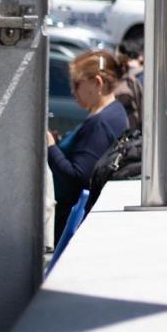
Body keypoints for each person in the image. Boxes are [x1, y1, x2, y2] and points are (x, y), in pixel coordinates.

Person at [46, 50, 128, 244]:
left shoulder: (100, 122)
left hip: (74, 223)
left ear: (97, 83)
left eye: (77, 84)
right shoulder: (114, 111)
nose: (73, 92)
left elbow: (77, 177)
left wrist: (50, 146)